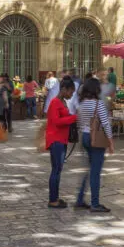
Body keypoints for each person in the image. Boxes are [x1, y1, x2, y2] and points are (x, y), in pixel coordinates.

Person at [74, 78, 115, 212]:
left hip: (85, 137)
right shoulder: (98, 104)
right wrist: (110, 143)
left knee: (90, 169)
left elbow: (79, 123)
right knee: (95, 172)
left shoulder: (81, 104)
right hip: (96, 139)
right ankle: (95, 203)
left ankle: (80, 199)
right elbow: (105, 123)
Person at [45, 80, 78, 208]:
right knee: (56, 170)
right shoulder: (55, 102)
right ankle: (53, 200)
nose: (71, 95)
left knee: (58, 169)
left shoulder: (63, 102)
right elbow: (57, 121)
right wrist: (73, 118)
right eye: (70, 92)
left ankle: (55, 197)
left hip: (61, 139)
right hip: (56, 139)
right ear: (64, 89)